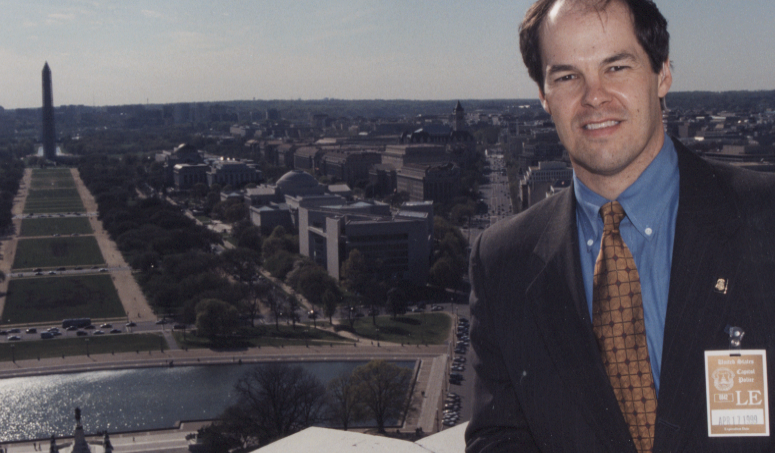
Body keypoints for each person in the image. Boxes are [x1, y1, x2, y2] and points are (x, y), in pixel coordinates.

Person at [465, 0, 775, 452]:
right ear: (544, 95)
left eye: (616, 67)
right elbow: (499, 440)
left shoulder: (764, 219)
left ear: (663, 73)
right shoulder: (503, 263)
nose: (595, 97)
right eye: (568, 76)